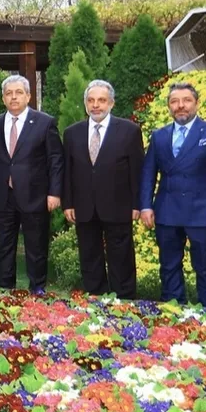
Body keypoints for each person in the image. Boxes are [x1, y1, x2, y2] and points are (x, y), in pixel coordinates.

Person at [139, 82, 206, 308]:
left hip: (202, 212)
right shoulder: (159, 136)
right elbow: (148, 174)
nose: (180, 106)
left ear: (196, 103)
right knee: (169, 266)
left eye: (186, 101)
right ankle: (173, 312)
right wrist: (145, 205)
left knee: (205, 267)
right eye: (174, 101)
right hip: (167, 212)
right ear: (169, 106)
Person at [62, 80, 144, 299]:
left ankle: (124, 300)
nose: (95, 105)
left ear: (111, 103)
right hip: (84, 206)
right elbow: (67, 170)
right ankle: (96, 298)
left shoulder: (129, 131)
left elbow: (138, 171)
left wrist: (138, 204)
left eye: (101, 100)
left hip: (119, 205)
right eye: (91, 100)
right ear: (85, 104)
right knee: (89, 255)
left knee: (121, 256)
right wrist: (68, 202)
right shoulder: (72, 133)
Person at [0, 75, 62, 293]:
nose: (14, 97)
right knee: (3, 245)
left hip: (35, 195)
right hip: (2, 195)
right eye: (9, 93)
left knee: (36, 245)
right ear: (3, 98)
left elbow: (55, 160)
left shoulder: (45, 122)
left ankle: (37, 289)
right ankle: (5, 288)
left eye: (18, 92)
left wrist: (55, 192)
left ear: (28, 95)